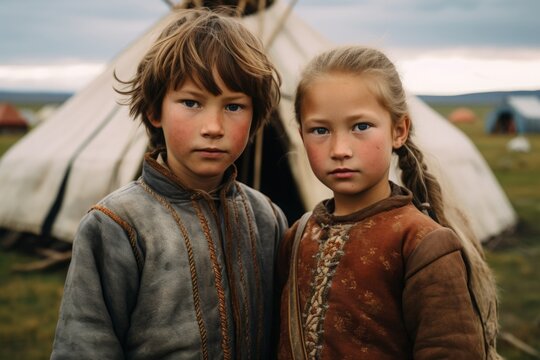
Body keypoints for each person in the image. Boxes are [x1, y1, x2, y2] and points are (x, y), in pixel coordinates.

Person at [51, 8, 287, 360]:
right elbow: (85, 345)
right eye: (191, 102)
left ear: (256, 115)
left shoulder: (267, 218)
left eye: (234, 106)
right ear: (155, 111)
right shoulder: (116, 225)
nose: (213, 126)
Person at [277, 46, 500, 359]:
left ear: (399, 130)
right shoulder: (297, 236)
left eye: (361, 127)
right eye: (320, 130)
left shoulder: (422, 244)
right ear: (301, 134)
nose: (340, 148)